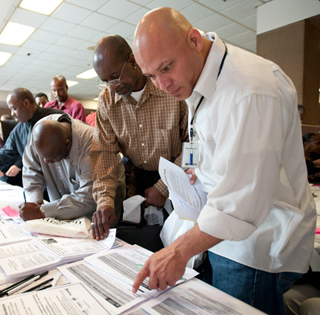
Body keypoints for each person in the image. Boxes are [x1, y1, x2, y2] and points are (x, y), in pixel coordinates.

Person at [131, 7, 316, 314]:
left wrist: (177, 252)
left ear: (194, 40)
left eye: (166, 68)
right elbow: (218, 146)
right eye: (151, 75)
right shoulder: (199, 76)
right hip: (220, 234)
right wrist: (200, 169)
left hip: (257, 245)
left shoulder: (249, 90)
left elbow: (242, 202)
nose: (162, 85)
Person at [90, 34, 188, 251]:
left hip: (180, 178)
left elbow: (193, 147)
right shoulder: (107, 101)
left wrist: (164, 186)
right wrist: (105, 201)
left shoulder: (169, 89)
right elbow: (104, 154)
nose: (112, 86)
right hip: (138, 181)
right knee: (141, 246)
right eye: (105, 81)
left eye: (115, 76)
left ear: (133, 61)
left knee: (177, 247)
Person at [21, 113, 125, 221]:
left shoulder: (94, 144)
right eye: (42, 157)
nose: (46, 162)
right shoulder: (40, 132)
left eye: (52, 158)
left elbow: (89, 196)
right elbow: (31, 170)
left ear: (67, 144)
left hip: (95, 211)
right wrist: (35, 204)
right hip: (59, 213)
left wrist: (43, 211)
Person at [0, 88, 63, 187]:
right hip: (38, 181)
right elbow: (5, 153)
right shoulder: (19, 129)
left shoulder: (56, 117)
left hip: (61, 178)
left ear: (26, 103)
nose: (12, 114)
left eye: (14, 108)